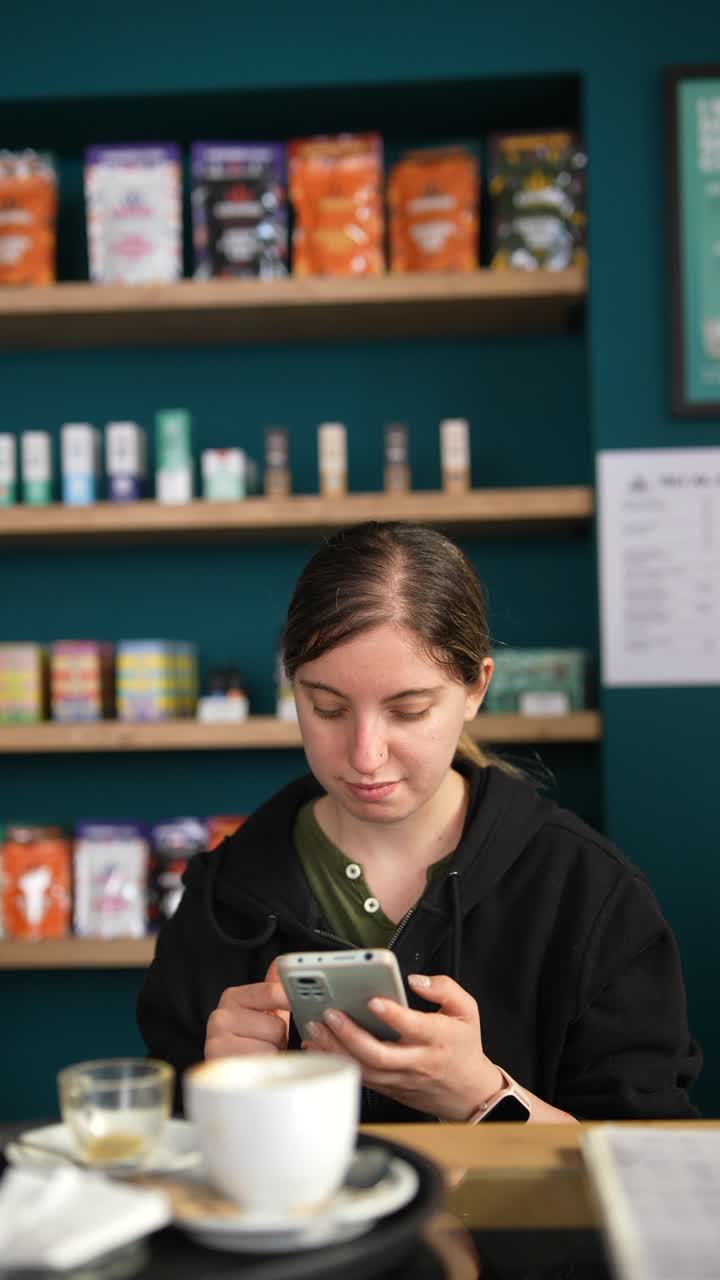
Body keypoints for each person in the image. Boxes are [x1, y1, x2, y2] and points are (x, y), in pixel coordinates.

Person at [137, 521, 701, 1123]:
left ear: (475, 689)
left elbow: (651, 1165)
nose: (364, 755)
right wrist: (217, 1098)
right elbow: (169, 1159)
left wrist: (485, 1099)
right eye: (327, 708)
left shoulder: (590, 893)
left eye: (408, 711)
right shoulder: (222, 897)